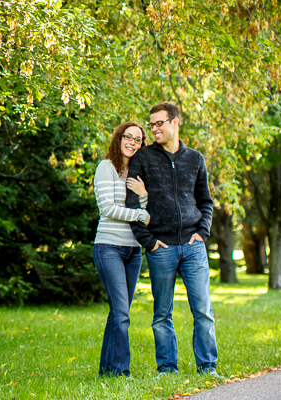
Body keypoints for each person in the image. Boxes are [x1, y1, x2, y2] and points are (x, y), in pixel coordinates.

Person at [125, 102, 219, 377]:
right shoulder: (144, 158)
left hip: (193, 246)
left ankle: (208, 366)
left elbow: (206, 201)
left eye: (159, 123)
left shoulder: (195, 159)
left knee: (202, 309)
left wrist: (202, 233)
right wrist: (149, 241)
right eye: (151, 124)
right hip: (161, 247)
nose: (153, 129)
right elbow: (133, 205)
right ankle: (167, 367)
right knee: (162, 313)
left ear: (175, 122)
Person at [92, 121, 150, 377]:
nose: (132, 143)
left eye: (138, 140)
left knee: (118, 313)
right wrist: (139, 214)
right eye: (128, 137)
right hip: (109, 248)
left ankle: (108, 371)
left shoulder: (138, 174)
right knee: (121, 313)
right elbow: (107, 209)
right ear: (119, 139)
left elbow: (148, 210)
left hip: (133, 251)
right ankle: (120, 372)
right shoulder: (106, 168)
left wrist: (144, 195)